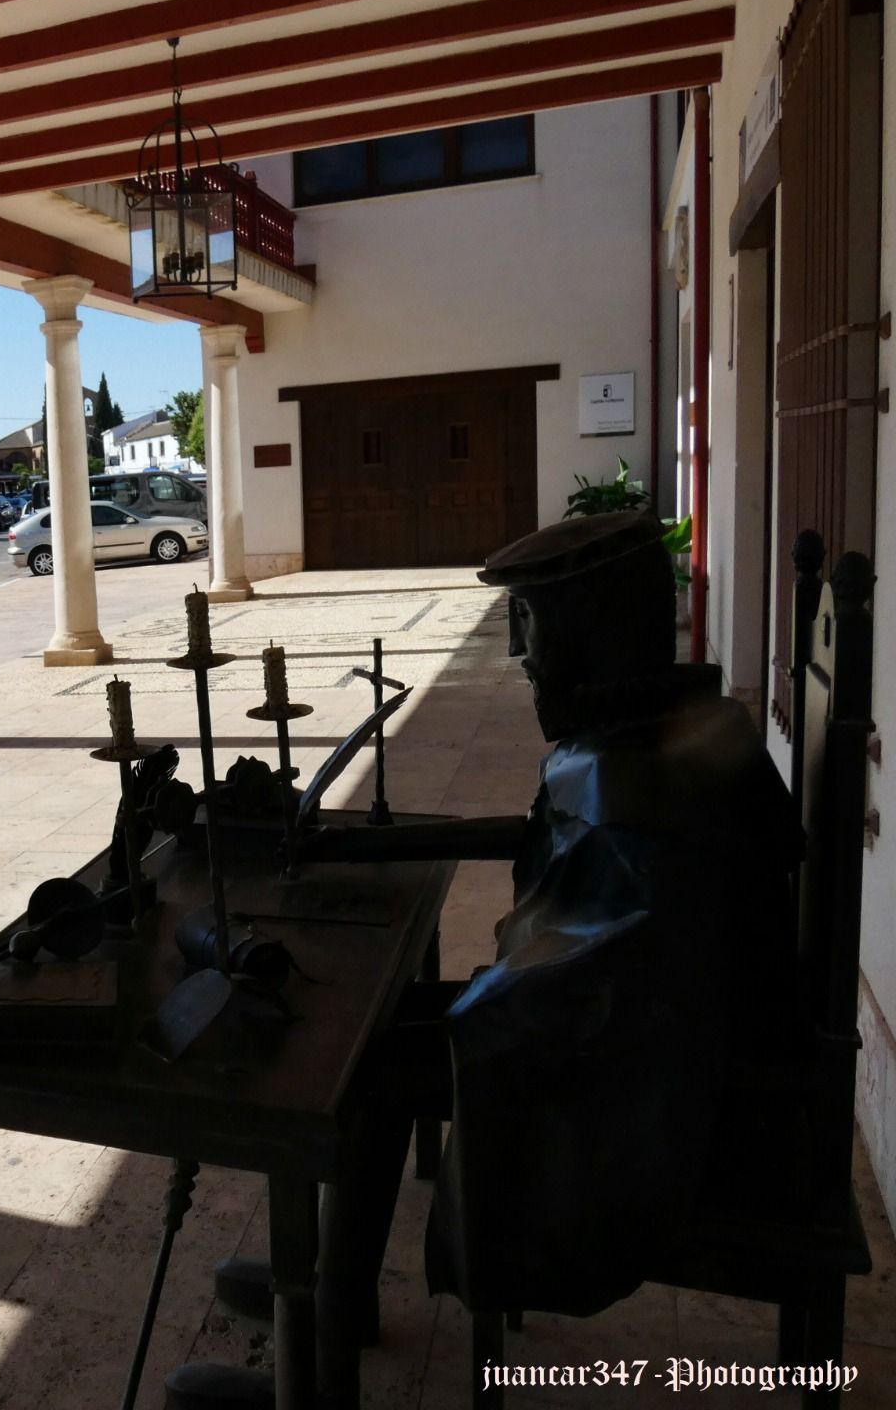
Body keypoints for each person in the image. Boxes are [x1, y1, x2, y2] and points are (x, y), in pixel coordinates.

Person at [168, 511, 800, 1406]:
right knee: (386, 1031)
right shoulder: (664, 728)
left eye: (533, 622)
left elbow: (603, 991)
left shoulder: (648, 789)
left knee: (362, 1063)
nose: (521, 655)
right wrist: (370, 848)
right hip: (658, 1043)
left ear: (598, 628)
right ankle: (334, 1298)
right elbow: (562, 853)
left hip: (670, 1098)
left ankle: (320, 1365)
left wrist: (462, 1014)